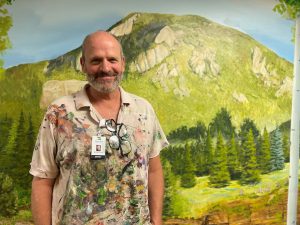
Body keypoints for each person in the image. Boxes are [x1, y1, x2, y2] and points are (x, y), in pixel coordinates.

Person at [30, 30, 169, 225]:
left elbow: (153, 171)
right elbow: (42, 181)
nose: (105, 68)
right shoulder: (58, 113)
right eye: (96, 61)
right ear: (83, 64)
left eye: (112, 60)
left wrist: (156, 221)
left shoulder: (143, 110)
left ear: (123, 63)